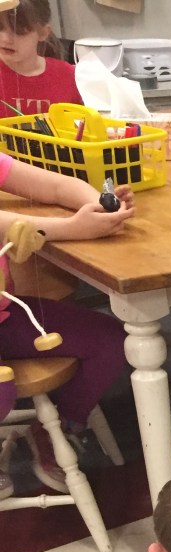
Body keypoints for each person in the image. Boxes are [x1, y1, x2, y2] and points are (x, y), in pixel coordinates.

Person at [0, 151, 133, 499]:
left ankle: (56, 427)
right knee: (1, 391)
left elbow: (57, 186)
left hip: (5, 316)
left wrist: (100, 206)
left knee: (111, 341)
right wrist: (76, 228)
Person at [0, 0, 82, 115]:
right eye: (0, 27)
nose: (5, 39)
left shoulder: (69, 76)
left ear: (43, 33)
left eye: (19, 31)